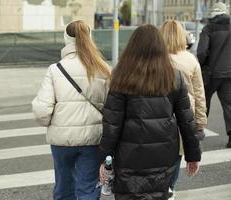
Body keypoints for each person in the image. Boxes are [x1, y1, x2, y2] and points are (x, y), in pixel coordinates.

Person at [99, 24, 201, 200]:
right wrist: (193, 155)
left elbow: (111, 124)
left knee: (127, 194)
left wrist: (105, 159)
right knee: (158, 194)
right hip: (163, 152)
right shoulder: (173, 76)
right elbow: (186, 120)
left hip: (128, 154)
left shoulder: (121, 75)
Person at [32, 20, 110, 200]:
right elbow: (112, 108)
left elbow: (42, 111)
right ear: (90, 37)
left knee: (64, 188)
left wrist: (52, 122)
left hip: (62, 141)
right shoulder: (103, 69)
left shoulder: (55, 69)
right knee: (88, 188)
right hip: (93, 140)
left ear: (66, 40)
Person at [160, 19, 207, 200]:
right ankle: (170, 189)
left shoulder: (157, 59)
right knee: (176, 157)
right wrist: (200, 123)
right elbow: (199, 94)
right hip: (185, 118)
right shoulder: (190, 60)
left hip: (160, 115)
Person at [197, 2, 231, 148]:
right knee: (229, 105)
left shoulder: (208, 28)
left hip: (210, 73)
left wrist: (200, 64)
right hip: (229, 73)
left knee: (203, 104)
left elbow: (202, 51)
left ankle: (198, 135)